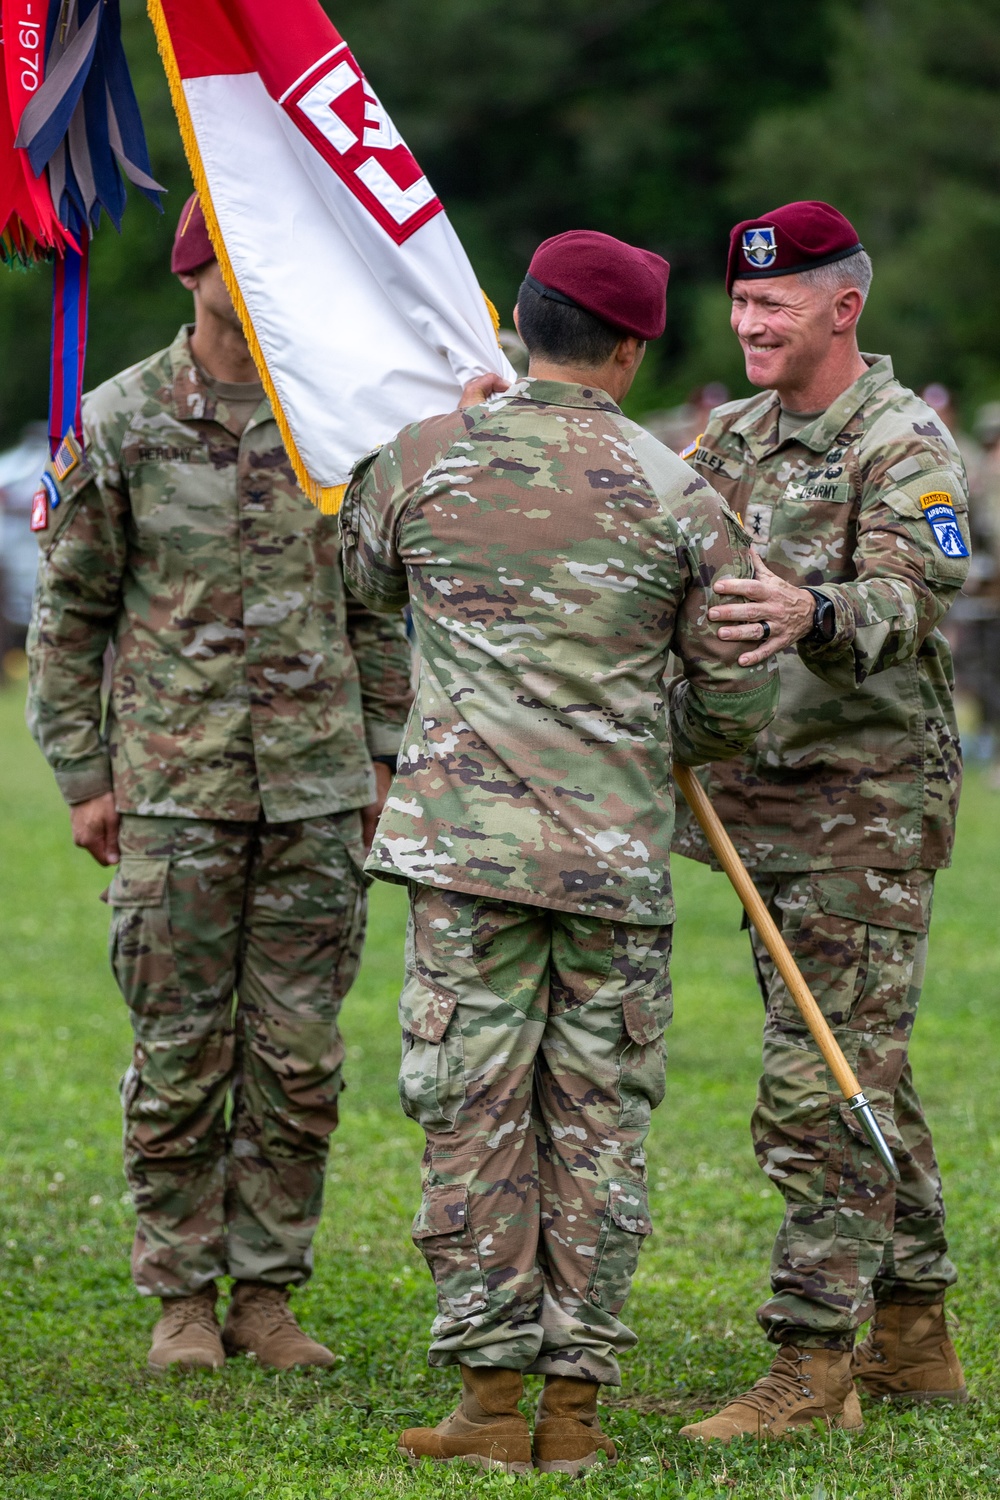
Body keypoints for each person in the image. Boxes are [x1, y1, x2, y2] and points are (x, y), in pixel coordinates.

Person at [340, 228, 779, 1475]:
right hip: (615, 861)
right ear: (634, 349)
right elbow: (740, 694)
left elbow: (361, 585)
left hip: (463, 863)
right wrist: (647, 740)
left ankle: (486, 1404)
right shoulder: (681, 491)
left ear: (521, 321)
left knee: (472, 1113)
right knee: (596, 1125)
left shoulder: (424, 459)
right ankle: (572, 1413)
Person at [26, 195, 411, 1373]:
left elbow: (375, 612)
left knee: (298, 1059)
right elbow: (72, 613)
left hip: (314, 794)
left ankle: (268, 1295)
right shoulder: (120, 422)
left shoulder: (331, 423)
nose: (247, 296)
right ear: (193, 276)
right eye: (229, 274)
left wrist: (385, 758)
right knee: (182, 1053)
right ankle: (182, 1295)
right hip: (172, 791)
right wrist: (86, 776)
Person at [672, 200, 972, 1441]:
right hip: (759, 802)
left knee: (814, 1086)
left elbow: (924, 587)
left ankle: (812, 1364)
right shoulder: (728, 434)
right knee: (863, 1073)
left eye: (773, 306)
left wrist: (818, 612)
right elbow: (643, 526)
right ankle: (915, 1335)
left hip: (864, 809)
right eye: (740, 303)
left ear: (842, 310)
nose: (748, 322)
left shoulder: (900, 441)